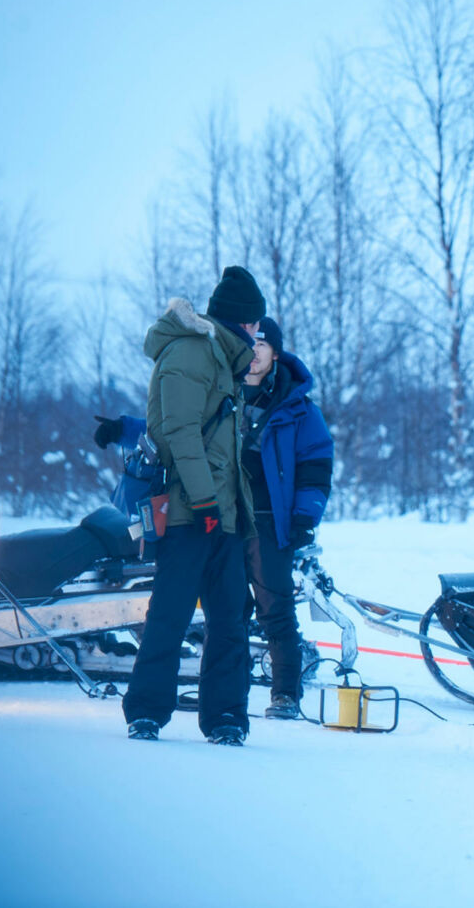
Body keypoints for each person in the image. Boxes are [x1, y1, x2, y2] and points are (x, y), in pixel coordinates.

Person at [122, 266, 264, 746]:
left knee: (229, 619)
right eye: (256, 325)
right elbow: (178, 432)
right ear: (242, 322)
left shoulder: (221, 358)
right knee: (171, 613)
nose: (258, 334)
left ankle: (226, 716)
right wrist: (204, 499)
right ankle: (145, 712)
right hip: (191, 512)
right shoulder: (193, 351)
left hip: (222, 514)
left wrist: (227, 507)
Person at [239, 317, 333, 721]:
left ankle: (285, 695)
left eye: (261, 344)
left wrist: (303, 518)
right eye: (247, 343)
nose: (253, 352)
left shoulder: (298, 407)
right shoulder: (217, 393)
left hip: (268, 523)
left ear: (275, 352)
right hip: (219, 521)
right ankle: (224, 696)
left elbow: (316, 468)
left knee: (275, 610)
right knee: (225, 611)